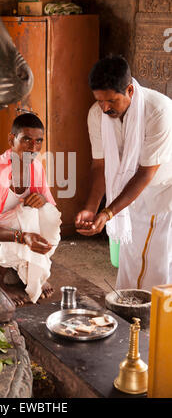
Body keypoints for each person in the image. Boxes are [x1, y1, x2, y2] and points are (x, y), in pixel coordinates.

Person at [75, 55, 172, 291]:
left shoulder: (159, 110)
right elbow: (99, 166)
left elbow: (146, 174)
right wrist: (91, 207)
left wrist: (108, 213)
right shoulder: (97, 115)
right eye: (99, 101)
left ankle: (153, 318)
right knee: (131, 258)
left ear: (129, 90)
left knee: (158, 262)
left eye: (111, 100)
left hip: (164, 192)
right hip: (130, 195)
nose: (105, 107)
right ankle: (130, 313)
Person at [0, 113, 61, 306]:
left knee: (45, 214)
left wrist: (41, 199)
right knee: (25, 214)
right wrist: (23, 236)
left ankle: (33, 275)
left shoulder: (36, 168)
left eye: (38, 141)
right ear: (12, 139)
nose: (33, 148)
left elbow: (50, 213)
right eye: (26, 139)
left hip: (13, 232)